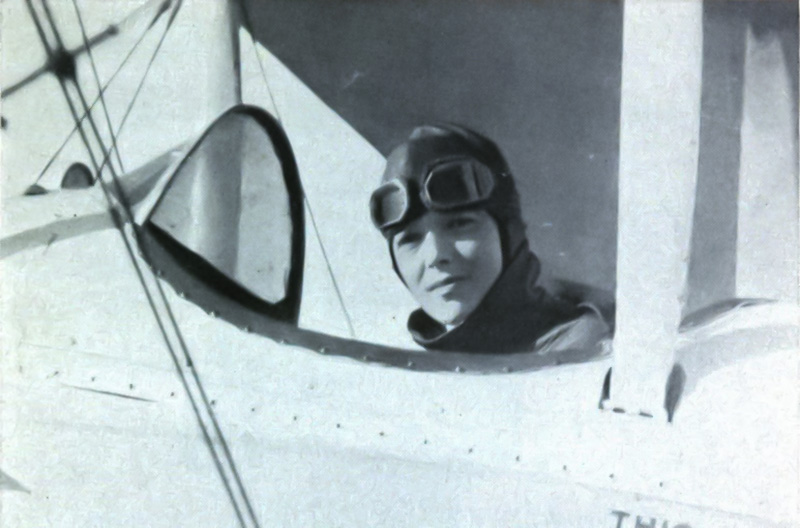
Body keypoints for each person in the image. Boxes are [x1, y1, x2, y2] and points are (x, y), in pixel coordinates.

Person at [369, 124, 612, 354]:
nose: (435, 255)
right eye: (410, 240)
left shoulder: (589, 348)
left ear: (509, 232)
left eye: (459, 224)